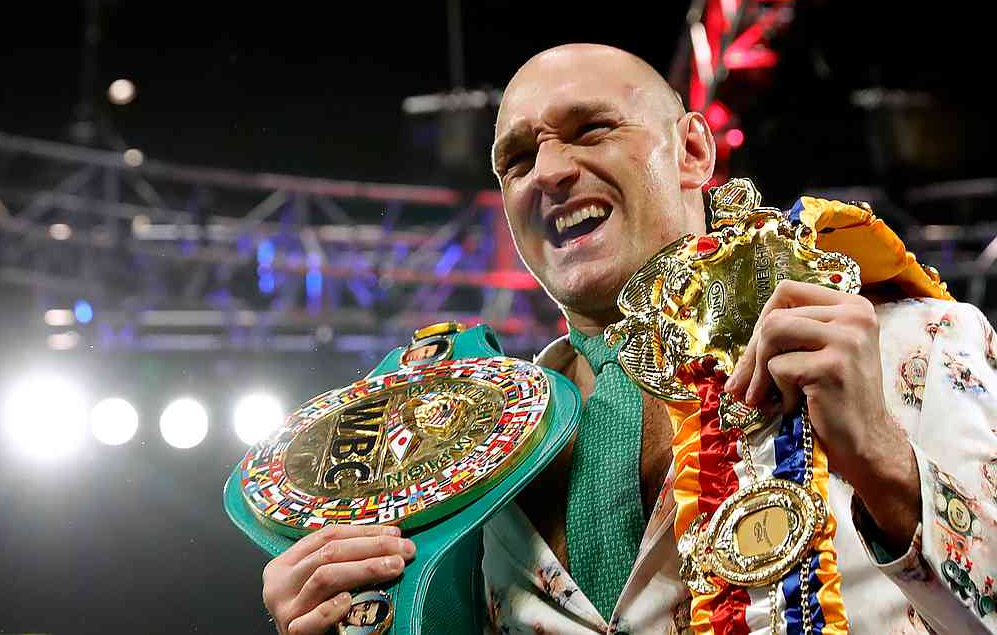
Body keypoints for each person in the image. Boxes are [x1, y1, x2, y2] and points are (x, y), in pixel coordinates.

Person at [261, 44, 997, 634]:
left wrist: (885, 465)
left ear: (693, 152)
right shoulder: (461, 454)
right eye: (517, 159)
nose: (548, 170)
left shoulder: (910, 340)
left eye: (590, 129)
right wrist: (337, 617)